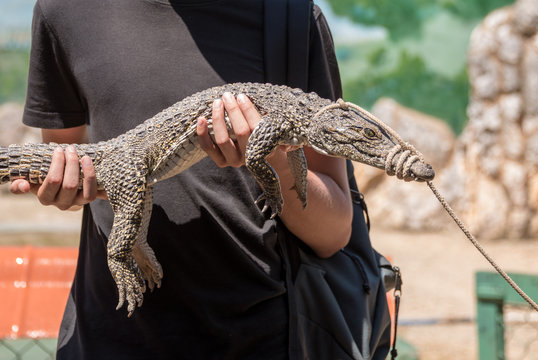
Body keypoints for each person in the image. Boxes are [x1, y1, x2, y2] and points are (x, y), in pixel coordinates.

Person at [10, 0, 353, 358]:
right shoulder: (65, 9)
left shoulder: (292, 18)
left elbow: (334, 233)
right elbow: (69, 160)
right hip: (111, 333)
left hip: (261, 338)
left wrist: (271, 159)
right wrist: (70, 188)